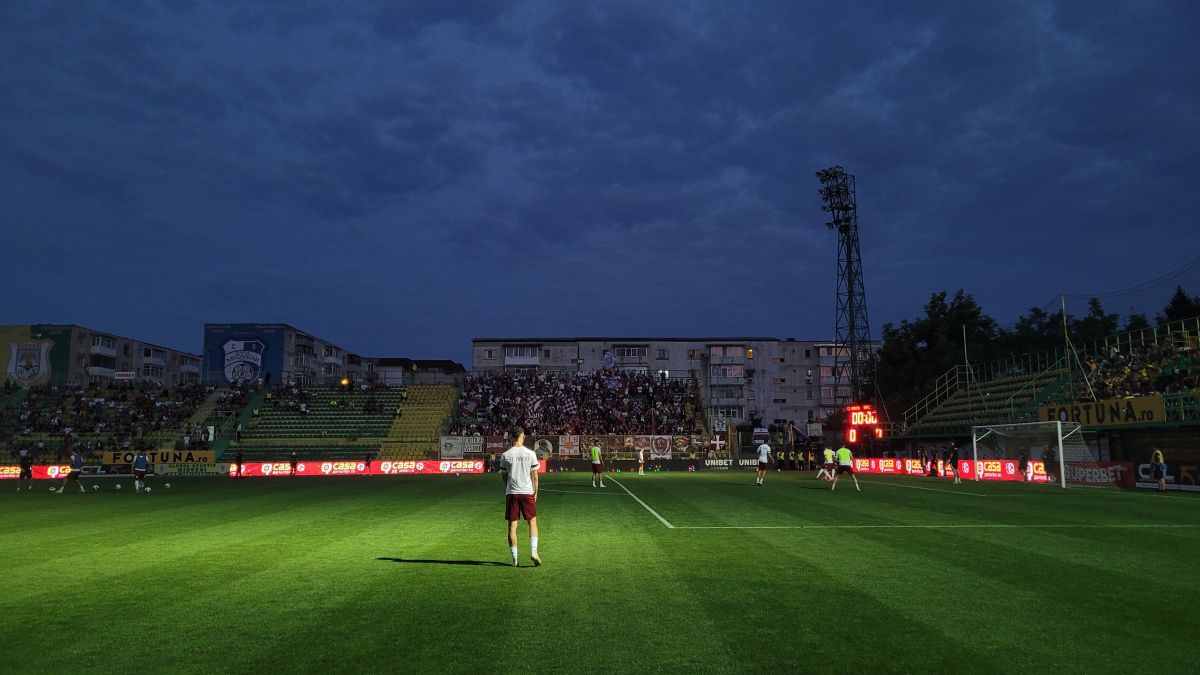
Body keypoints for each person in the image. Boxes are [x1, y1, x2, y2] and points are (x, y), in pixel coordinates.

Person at [499, 426, 541, 567]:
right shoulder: (530, 453)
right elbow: (535, 476)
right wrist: (535, 493)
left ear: (512, 437)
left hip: (512, 493)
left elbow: (503, 476)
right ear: (522, 436)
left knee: (512, 527)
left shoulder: (506, 455)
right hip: (527, 492)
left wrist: (508, 487)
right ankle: (534, 552)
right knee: (532, 522)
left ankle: (515, 559)